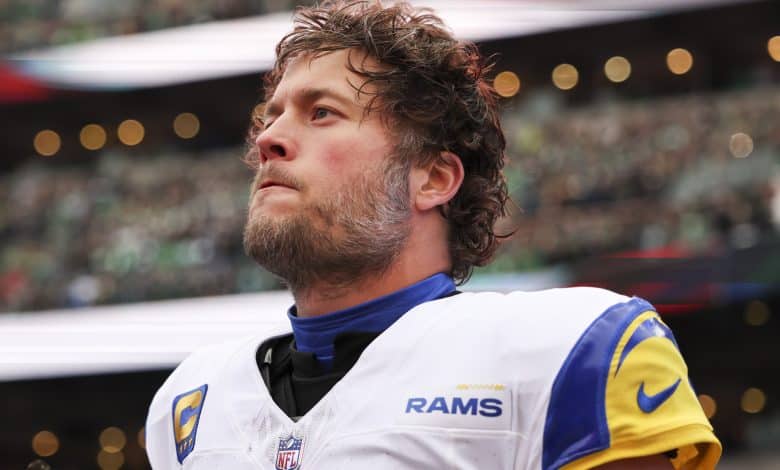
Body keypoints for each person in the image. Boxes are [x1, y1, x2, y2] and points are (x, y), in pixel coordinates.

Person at [145, 1, 721, 468]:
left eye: (322, 112)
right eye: (271, 116)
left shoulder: (565, 353)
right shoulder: (191, 398)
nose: (269, 139)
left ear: (433, 178)